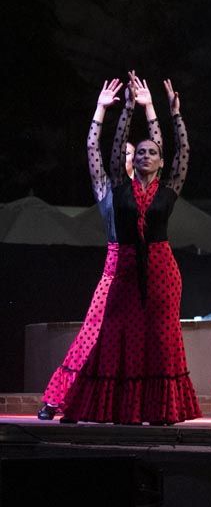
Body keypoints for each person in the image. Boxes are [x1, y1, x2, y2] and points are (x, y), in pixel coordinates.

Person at [62, 74, 201, 425]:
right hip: (123, 269)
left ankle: (160, 411)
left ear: (159, 160)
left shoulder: (169, 188)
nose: (144, 155)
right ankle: (107, 407)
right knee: (114, 336)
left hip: (161, 271)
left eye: (152, 152)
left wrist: (167, 113)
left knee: (159, 339)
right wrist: (124, 109)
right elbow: (106, 150)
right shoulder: (119, 186)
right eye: (139, 152)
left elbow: (182, 151)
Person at [37, 80, 156, 421]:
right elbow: (92, 147)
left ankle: (129, 404)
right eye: (126, 153)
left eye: (137, 153)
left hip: (145, 271)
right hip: (115, 266)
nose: (131, 157)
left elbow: (162, 151)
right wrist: (102, 109)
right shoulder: (107, 187)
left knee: (135, 341)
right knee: (92, 334)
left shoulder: (148, 191)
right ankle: (57, 399)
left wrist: (148, 109)